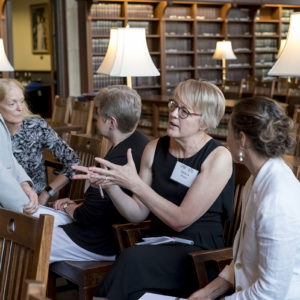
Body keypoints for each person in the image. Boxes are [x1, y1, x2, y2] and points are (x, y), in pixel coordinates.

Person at [85, 79, 235, 299]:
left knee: (130, 261)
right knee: (130, 264)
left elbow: (181, 219)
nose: (173, 114)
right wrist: (111, 184)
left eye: (184, 111)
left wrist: (134, 183)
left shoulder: (218, 157)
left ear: (204, 121)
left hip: (198, 253)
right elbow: (137, 214)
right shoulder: (154, 148)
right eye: (173, 105)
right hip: (158, 243)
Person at [188, 97, 300, 300]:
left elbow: (271, 292)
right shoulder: (255, 179)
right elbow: (244, 260)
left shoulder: (278, 200)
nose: (225, 139)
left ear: (242, 138)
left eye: (228, 131)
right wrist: (207, 293)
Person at [47, 85, 149, 262]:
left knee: (25, 242)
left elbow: (87, 215)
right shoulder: (141, 141)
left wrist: (65, 207)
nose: (95, 119)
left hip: (99, 241)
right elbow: (100, 203)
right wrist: (75, 205)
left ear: (111, 122)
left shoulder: (116, 159)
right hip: (112, 233)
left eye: (98, 114)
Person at [0, 78, 80, 205]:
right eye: (12, 103)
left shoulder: (36, 127)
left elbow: (74, 162)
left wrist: (47, 192)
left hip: (33, 204)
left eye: (22, 101)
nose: (20, 108)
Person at [0, 113, 38, 214]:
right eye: (12, 103)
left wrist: (23, 183)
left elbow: (7, 155)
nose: (19, 108)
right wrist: (24, 205)